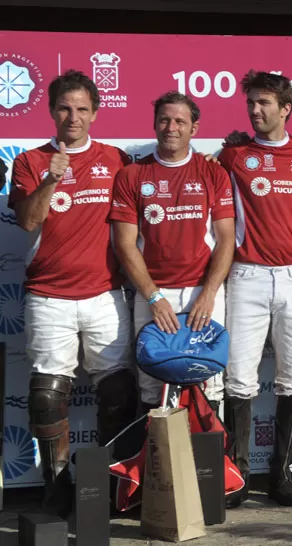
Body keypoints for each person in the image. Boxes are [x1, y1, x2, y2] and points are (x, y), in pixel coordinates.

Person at [9, 70, 137, 516]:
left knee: (119, 390)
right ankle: (56, 485)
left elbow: (166, 174)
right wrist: (50, 179)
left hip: (105, 293)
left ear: (96, 114)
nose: (73, 117)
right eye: (65, 108)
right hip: (49, 296)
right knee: (47, 394)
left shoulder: (117, 158)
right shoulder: (28, 161)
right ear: (51, 111)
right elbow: (27, 221)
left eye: (83, 109)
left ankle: (107, 484)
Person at [218, 71, 292, 508]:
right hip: (248, 276)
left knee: (291, 380)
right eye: (251, 105)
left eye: (264, 103)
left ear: (286, 108)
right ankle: (237, 474)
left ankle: (282, 474)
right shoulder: (232, 155)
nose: (256, 111)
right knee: (238, 380)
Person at [110, 91, 235, 411]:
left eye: (180, 121)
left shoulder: (213, 172)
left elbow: (225, 240)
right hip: (153, 295)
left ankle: (207, 462)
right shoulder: (132, 175)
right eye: (164, 120)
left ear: (194, 128)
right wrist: (152, 296)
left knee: (207, 384)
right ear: (154, 125)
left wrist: (209, 293)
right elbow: (124, 244)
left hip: (201, 294)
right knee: (152, 388)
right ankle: (161, 461)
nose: (171, 127)